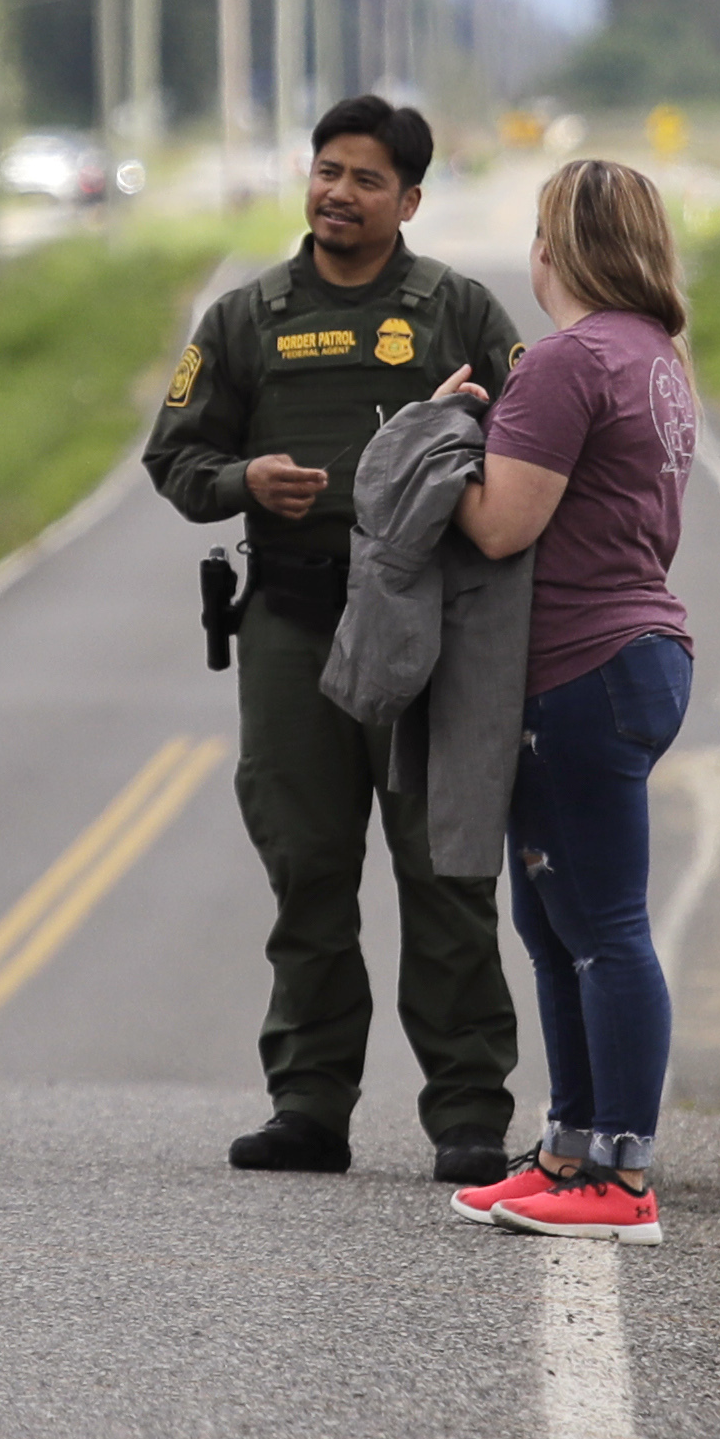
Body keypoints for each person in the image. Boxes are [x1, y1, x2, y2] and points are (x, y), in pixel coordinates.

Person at [143, 93, 523, 1184]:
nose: (336, 193)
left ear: (407, 197)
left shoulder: (454, 311)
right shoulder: (244, 317)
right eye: (324, 170)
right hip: (290, 625)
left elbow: (531, 438)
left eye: (363, 178)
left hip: (421, 631)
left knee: (441, 872)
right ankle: (307, 1105)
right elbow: (174, 459)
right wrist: (241, 479)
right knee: (307, 869)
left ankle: (466, 1114)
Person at [444, 158, 701, 1245]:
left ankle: (621, 1172)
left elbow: (500, 524)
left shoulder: (567, 359)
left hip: (579, 665)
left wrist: (432, 442)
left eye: (541, 230)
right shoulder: (655, 358)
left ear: (560, 246)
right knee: (550, 922)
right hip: (636, 650)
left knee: (598, 926)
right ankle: (568, 1147)